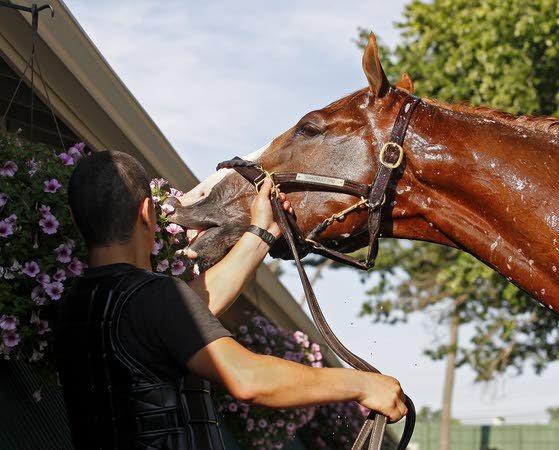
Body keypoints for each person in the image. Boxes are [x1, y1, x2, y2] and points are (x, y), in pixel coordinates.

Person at [54, 150, 407, 450]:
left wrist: (263, 233)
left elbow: (183, 314)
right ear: (147, 213)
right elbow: (247, 379)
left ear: (76, 219)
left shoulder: (74, 306)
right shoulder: (154, 299)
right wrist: (362, 385)